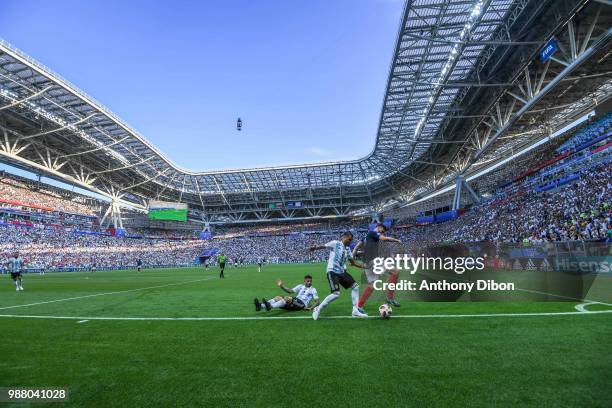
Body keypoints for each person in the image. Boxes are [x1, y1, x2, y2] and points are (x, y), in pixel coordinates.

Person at [308, 231, 366, 319]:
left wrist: (363, 266)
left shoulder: (348, 249)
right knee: (336, 294)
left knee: (355, 287)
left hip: (342, 272)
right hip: (332, 271)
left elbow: (353, 262)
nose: (350, 241)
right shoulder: (335, 243)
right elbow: (324, 246)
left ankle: (355, 310)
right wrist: (315, 248)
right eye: (349, 239)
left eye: (351, 240)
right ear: (344, 237)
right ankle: (318, 309)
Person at [353, 223, 402, 314]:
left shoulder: (367, 236)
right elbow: (384, 238)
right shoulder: (373, 233)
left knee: (395, 271)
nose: (383, 232)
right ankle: (359, 306)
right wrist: (396, 240)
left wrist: (354, 253)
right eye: (382, 230)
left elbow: (358, 245)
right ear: (378, 227)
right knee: (372, 285)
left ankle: (389, 297)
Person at [254, 275, 319, 312]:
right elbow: (290, 291)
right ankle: (261, 306)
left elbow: (317, 302)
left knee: (287, 298)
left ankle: (270, 306)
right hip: (295, 303)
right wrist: (281, 285)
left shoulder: (313, 289)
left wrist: (311, 308)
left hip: (302, 305)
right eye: (308, 281)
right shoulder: (300, 286)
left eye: (310, 281)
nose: (309, 282)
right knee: (278, 297)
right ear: (304, 281)